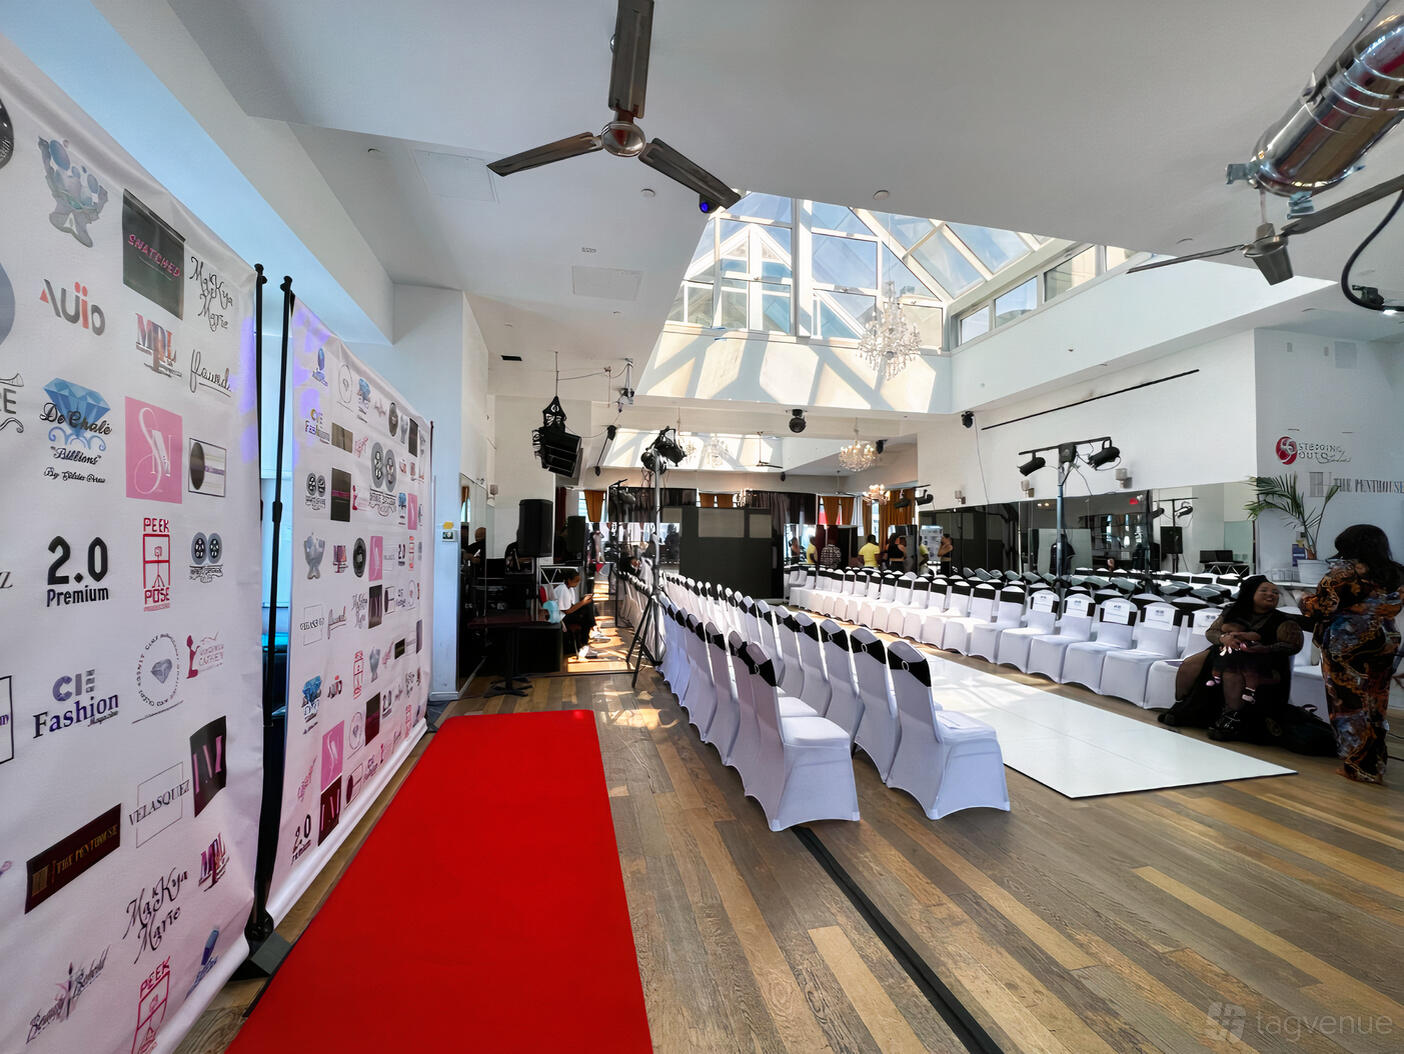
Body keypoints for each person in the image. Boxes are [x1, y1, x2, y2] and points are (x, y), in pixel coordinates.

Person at [1300, 524, 1403, 784]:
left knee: (1348, 705)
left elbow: (1322, 608)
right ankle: (1375, 764)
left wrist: (1304, 600)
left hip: (1347, 644)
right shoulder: (1396, 572)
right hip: (1385, 639)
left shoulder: (1343, 573)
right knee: (1376, 702)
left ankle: (1356, 766)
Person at [1159, 575, 1303, 741]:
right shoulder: (1233, 610)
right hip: (1226, 652)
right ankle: (1187, 706)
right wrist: (1223, 638)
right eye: (1264, 591)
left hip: (1263, 661)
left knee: (1231, 670)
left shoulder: (1283, 620)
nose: (1271, 594)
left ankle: (1232, 717)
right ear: (1250, 593)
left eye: (1275, 592)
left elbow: (1293, 645)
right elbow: (1211, 632)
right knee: (1191, 664)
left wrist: (1265, 648)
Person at [552, 570, 599, 661]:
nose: (577, 583)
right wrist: (583, 602)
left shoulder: (570, 589)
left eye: (578, 581)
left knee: (588, 605)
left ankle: (591, 631)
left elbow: (572, 606)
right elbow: (567, 611)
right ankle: (586, 641)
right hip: (562, 617)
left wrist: (584, 602)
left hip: (567, 614)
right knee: (586, 620)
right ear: (569, 580)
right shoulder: (562, 590)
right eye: (576, 581)